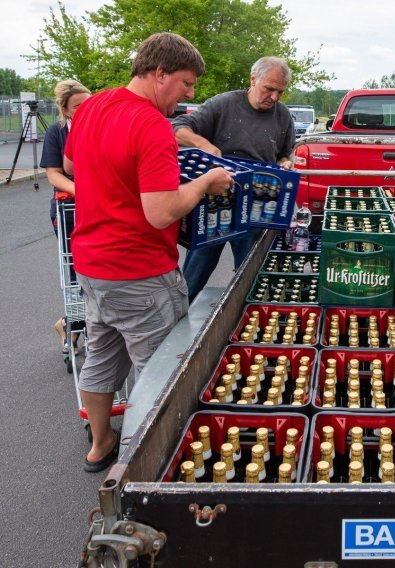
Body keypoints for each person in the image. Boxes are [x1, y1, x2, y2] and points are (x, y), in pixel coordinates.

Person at [64, 33, 234, 472]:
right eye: (185, 82)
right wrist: (203, 183)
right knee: (161, 372)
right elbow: (160, 213)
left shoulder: (93, 106)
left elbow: (70, 167)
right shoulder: (151, 125)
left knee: (101, 357)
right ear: (159, 74)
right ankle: (150, 467)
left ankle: (100, 445)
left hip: (92, 264)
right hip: (139, 271)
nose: (190, 95)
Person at [172, 56, 295, 303]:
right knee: (193, 278)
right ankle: (175, 328)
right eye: (269, 89)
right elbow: (177, 127)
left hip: (256, 206)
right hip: (214, 204)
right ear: (253, 79)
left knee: (251, 279)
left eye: (280, 92)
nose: (274, 97)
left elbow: (284, 152)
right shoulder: (224, 104)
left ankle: (246, 327)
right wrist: (203, 143)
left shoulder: (282, 116)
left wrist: (284, 163)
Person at [40, 79, 91, 355]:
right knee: (75, 272)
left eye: (89, 103)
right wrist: (81, 190)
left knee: (96, 270)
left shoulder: (99, 127)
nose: (85, 109)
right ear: (65, 109)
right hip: (69, 208)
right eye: (78, 106)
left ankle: (73, 325)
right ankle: (72, 326)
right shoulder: (57, 132)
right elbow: (53, 174)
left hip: (98, 206)